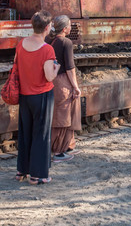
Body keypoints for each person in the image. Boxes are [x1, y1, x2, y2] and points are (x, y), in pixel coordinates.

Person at [15, 10, 59, 185]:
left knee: (25, 133)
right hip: (41, 95)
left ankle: (22, 171)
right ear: (47, 28)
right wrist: (56, 68)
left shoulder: (21, 44)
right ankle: (38, 175)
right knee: (41, 134)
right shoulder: (47, 49)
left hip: (25, 96)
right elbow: (49, 76)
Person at [47, 15, 81, 162]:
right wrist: (75, 86)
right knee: (63, 116)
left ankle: (67, 145)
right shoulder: (66, 42)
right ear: (65, 28)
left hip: (51, 80)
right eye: (69, 25)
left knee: (57, 114)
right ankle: (59, 152)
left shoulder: (48, 40)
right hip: (63, 82)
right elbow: (69, 67)